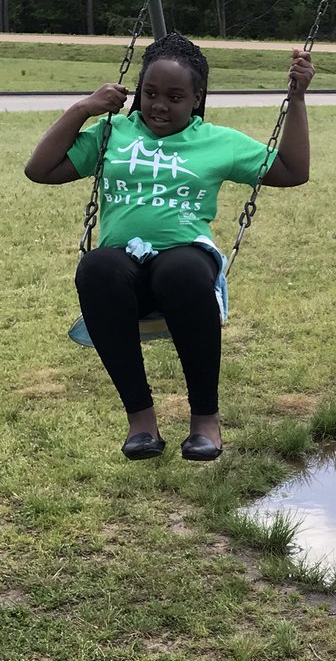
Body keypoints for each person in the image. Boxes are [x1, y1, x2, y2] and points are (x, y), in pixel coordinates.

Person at [25, 32, 315, 461]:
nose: (160, 105)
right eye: (151, 93)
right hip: (124, 268)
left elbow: (292, 170)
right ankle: (140, 419)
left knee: (181, 269)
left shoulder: (218, 141)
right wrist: (84, 108)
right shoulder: (113, 133)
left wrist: (298, 99)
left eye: (175, 96)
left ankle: (205, 419)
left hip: (185, 262)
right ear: (137, 91)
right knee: (97, 267)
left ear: (197, 98)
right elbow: (40, 169)